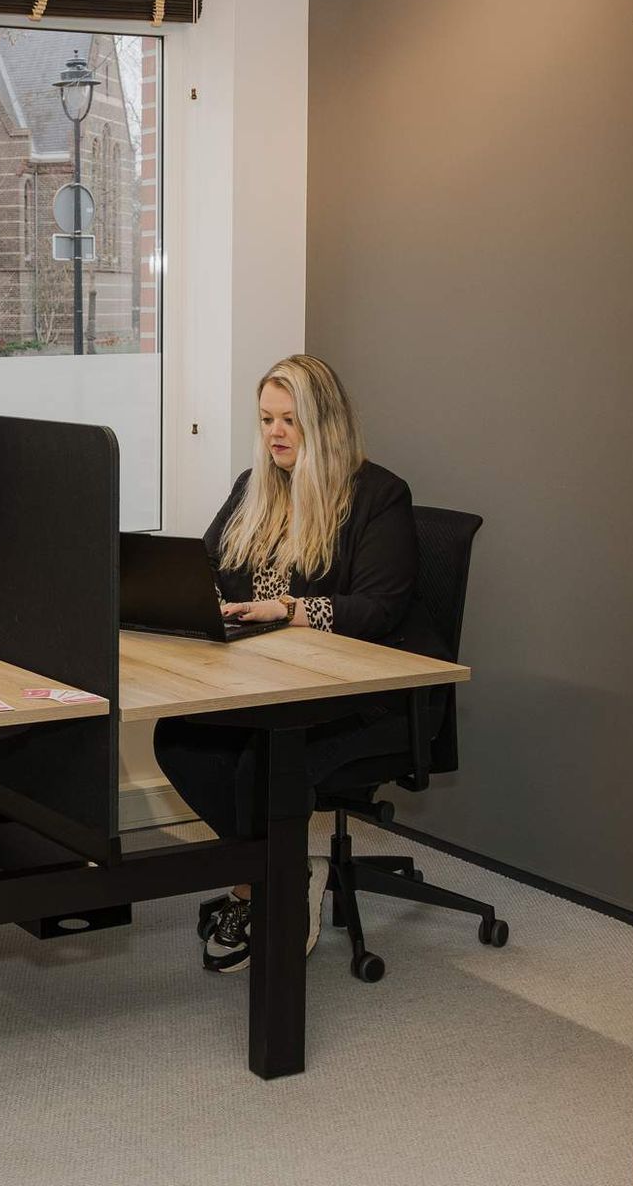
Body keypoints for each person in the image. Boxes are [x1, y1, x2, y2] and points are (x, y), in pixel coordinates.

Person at [155, 354, 442, 973]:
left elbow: (379, 608)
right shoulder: (253, 487)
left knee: (261, 759)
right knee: (180, 737)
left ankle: (265, 887)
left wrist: (287, 610)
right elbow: (204, 568)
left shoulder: (377, 496)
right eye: (266, 419)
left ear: (326, 424)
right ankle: (274, 872)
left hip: (368, 696)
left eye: (292, 420)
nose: (276, 433)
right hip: (269, 680)